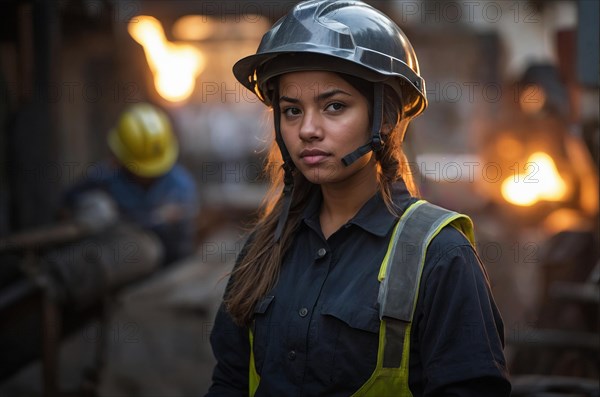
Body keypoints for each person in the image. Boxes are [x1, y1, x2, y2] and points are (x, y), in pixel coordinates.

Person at [207, 1, 510, 396]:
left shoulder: (440, 257)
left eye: (334, 106)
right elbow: (229, 382)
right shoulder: (264, 248)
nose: (308, 129)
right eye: (292, 110)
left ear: (385, 116)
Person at [63, 102, 199, 265]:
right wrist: (85, 212)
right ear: (120, 158)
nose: (148, 175)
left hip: (167, 268)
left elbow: (182, 245)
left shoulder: (180, 186)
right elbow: (64, 208)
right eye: (142, 169)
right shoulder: (105, 177)